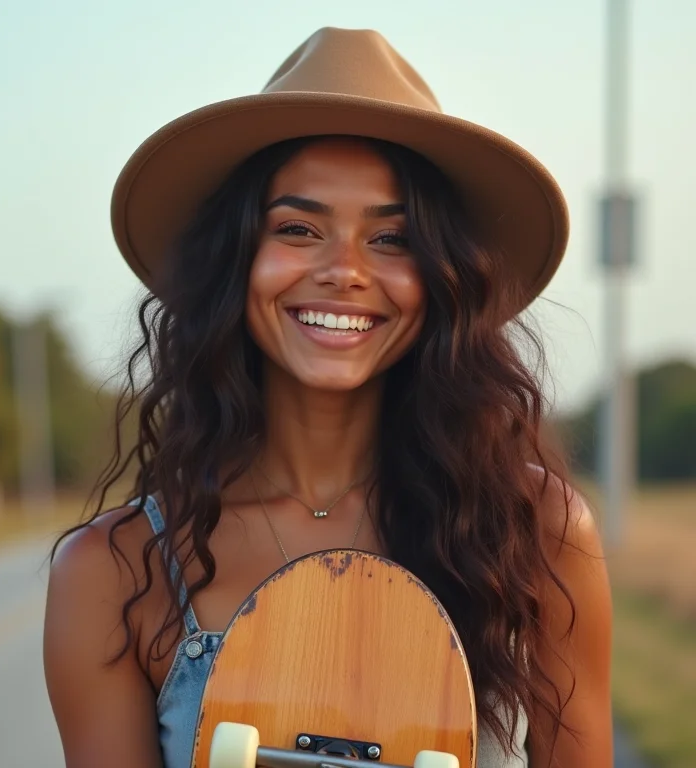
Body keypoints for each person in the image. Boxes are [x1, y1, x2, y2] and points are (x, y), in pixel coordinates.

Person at [44, 27, 613, 768]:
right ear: (235, 262)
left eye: (391, 239)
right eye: (299, 228)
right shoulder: (114, 571)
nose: (344, 270)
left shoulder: (533, 533)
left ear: (444, 278)